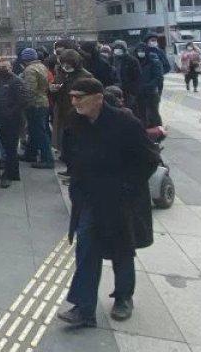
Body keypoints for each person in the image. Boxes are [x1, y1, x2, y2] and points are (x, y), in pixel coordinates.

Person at [58, 78, 156, 328]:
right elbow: (69, 152)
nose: (75, 102)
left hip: (119, 199)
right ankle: (83, 307)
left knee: (121, 249)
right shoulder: (75, 121)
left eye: (80, 97)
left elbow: (148, 159)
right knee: (86, 248)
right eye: (73, 97)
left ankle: (123, 297)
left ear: (98, 98)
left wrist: (126, 187)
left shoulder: (124, 122)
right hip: (89, 197)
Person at [0, 59, 31, 188]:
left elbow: (23, 101)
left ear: (11, 67)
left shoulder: (16, 81)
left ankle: (8, 174)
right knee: (6, 146)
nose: (1, 69)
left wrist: (10, 112)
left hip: (12, 120)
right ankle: (13, 172)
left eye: (4, 67)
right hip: (0, 119)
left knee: (11, 148)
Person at [20, 49, 54, 170]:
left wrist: (22, 103)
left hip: (34, 104)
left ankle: (47, 159)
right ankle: (30, 154)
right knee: (35, 131)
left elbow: (29, 90)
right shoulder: (41, 66)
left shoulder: (30, 70)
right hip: (43, 102)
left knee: (39, 132)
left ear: (24, 59)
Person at [134, 42, 165, 128]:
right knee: (141, 113)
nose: (140, 52)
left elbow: (158, 77)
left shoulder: (153, 62)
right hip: (139, 93)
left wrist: (148, 86)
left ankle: (158, 131)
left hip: (151, 92)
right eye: (139, 51)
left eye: (143, 51)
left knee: (153, 113)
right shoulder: (134, 62)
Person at [110, 40, 141, 111]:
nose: (118, 49)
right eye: (116, 47)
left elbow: (137, 77)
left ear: (124, 49)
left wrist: (133, 90)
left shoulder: (132, 60)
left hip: (128, 91)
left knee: (129, 109)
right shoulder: (110, 59)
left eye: (120, 47)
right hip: (113, 91)